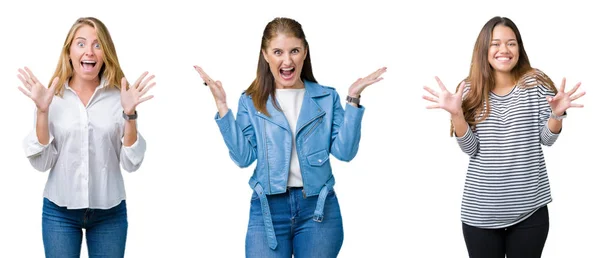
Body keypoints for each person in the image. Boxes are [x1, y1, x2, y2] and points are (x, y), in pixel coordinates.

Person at [194, 17, 386, 258]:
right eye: (278, 52)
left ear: (304, 52)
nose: (287, 60)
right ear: (265, 55)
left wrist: (353, 99)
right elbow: (243, 158)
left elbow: (345, 152)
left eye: (294, 50)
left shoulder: (327, 98)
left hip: (318, 209)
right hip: (268, 211)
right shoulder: (251, 101)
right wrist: (222, 106)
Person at [422, 16, 585, 258]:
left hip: (530, 213)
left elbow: (547, 139)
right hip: (480, 215)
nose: (504, 50)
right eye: (495, 43)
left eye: (511, 43)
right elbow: (471, 148)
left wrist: (557, 114)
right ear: (484, 49)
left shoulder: (536, 83)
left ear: (519, 48)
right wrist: (457, 114)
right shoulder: (468, 89)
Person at [18, 17, 155, 258]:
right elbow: (42, 163)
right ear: (69, 51)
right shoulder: (53, 97)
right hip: (59, 212)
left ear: (106, 53)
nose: (89, 51)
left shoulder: (119, 97)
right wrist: (42, 112)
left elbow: (130, 163)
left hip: (109, 213)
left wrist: (130, 114)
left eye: (97, 45)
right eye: (81, 44)